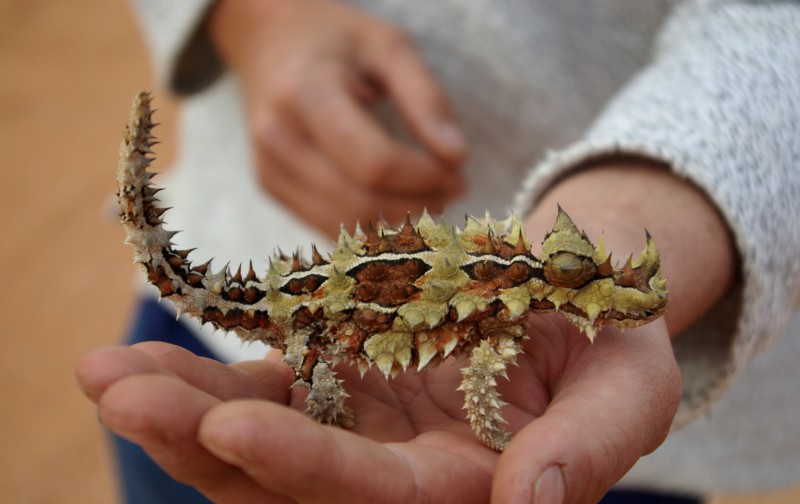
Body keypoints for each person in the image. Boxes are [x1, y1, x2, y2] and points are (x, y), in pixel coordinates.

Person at [76, 0, 800, 502]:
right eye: (614, 289)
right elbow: (482, 389)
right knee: (220, 439)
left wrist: (655, 199)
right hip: (277, 301)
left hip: (648, 467)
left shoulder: (517, 288)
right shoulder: (504, 313)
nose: (626, 298)